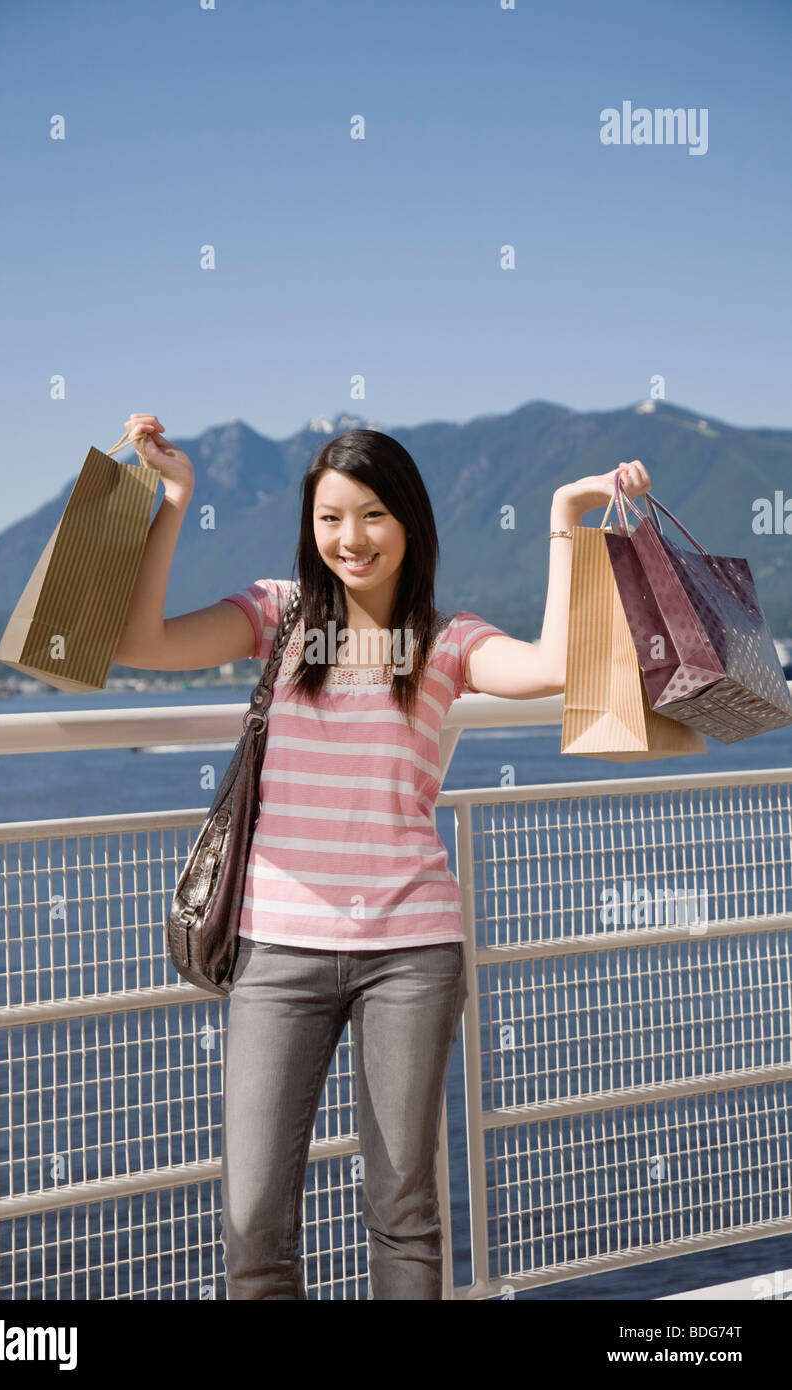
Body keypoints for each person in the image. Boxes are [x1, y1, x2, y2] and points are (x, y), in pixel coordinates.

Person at [113, 412, 650, 1299]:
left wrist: (566, 510)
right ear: (308, 529)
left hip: (410, 953)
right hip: (274, 954)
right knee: (253, 1227)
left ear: (408, 523)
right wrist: (174, 497)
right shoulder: (276, 617)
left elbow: (556, 664)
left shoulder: (447, 639)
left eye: (371, 516)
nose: (349, 539)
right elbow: (139, 644)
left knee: (403, 1215)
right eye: (329, 519)